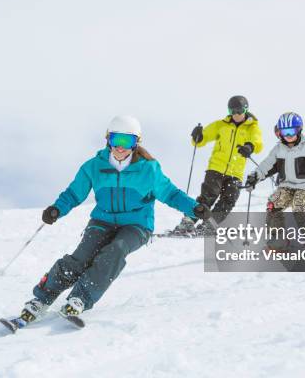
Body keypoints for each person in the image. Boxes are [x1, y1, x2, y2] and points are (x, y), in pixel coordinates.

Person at [15, 115, 211, 326]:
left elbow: (171, 194)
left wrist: (194, 208)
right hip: (102, 220)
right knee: (80, 258)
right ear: (108, 139)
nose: (121, 147)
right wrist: (56, 209)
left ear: (136, 143)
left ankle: (80, 297)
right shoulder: (93, 167)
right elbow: (74, 193)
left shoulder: (149, 169)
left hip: (137, 224)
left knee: (115, 250)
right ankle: (41, 299)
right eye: (117, 140)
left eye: (127, 141)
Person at [173, 95, 263, 235]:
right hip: (216, 168)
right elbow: (202, 139)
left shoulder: (252, 128)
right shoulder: (221, 125)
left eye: (239, 111)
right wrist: (198, 136)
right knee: (208, 196)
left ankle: (210, 225)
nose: (236, 114)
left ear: (245, 110)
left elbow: (257, 143)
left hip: (235, 172)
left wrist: (249, 147)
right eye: (232, 111)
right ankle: (188, 221)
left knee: (229, 199)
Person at [245, 112, 305, 248]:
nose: (289, 135)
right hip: (286, 186)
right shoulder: (278, 149)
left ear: (299, 130)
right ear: (279, 133)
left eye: (292, 131)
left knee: (300, 204)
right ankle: (278, 238)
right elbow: (266, 165)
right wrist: (254, 177)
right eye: (285, 132)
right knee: (273, 203)